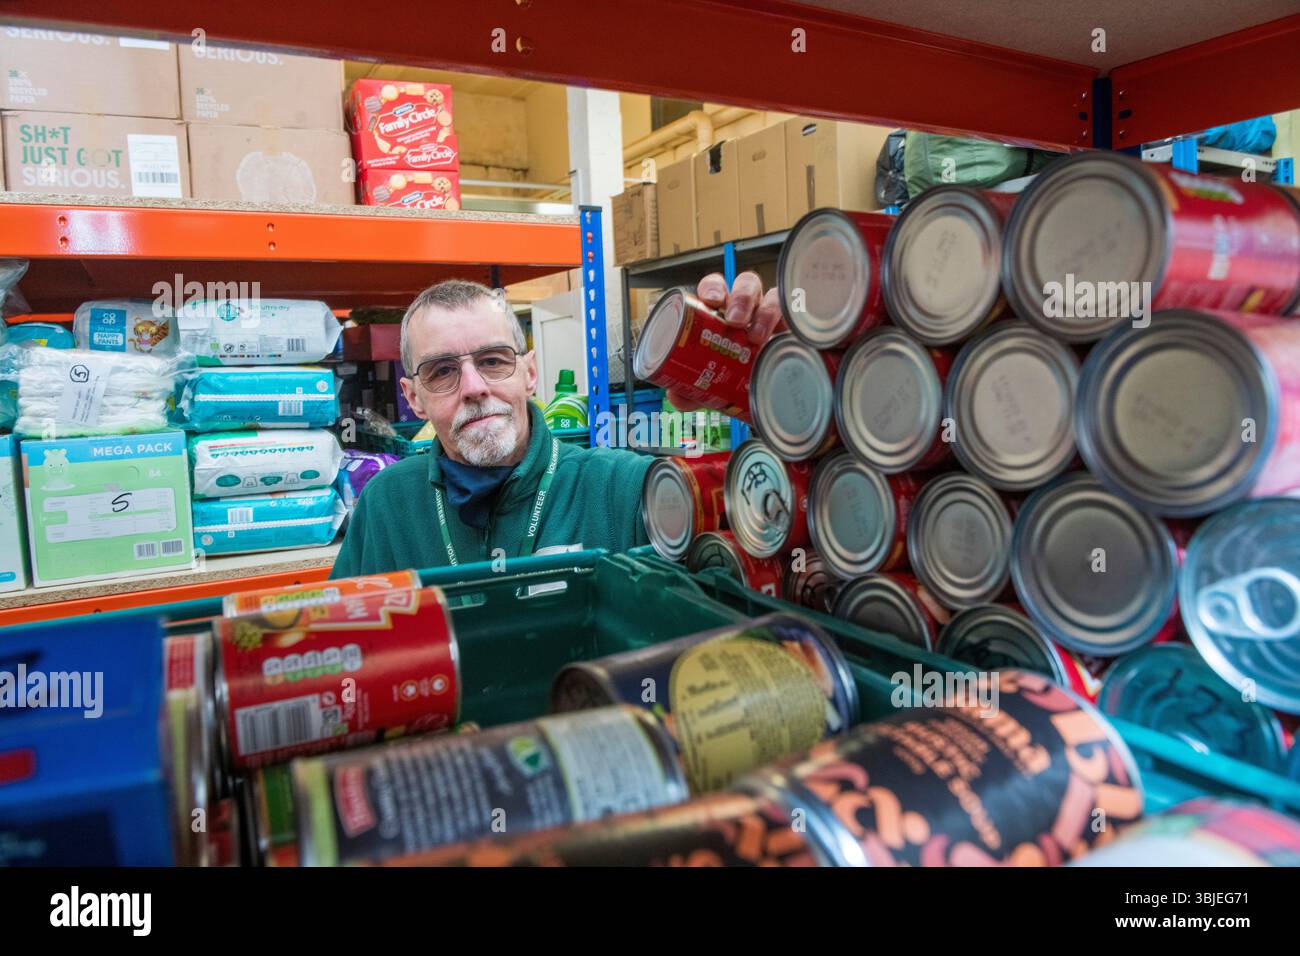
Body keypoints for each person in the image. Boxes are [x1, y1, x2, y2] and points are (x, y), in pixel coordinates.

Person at [330, 271, 783, 578]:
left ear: (530, 374)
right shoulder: (386, 505)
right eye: (442, 372)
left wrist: (779, 396)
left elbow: (776, 522)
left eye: (493, 360)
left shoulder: (622, 489)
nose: (473, 386)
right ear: (414, 399)